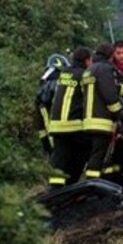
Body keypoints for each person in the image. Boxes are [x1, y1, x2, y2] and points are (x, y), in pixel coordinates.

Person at [82, 43, 123, 180]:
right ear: (110, 56)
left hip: (88, 120)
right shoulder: (105, 69)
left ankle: (95, 183)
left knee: (95, 154)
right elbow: (109, 94)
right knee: (98, 156)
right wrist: (120, 113)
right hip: (100, 121)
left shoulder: (89, 70)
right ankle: (92, 185)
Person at [46, 47, 92, 186]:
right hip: (73, 125)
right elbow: (90, 98)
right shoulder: (84, 75)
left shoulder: (64, 73)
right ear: (86, 60)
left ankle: (55, 188)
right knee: (84, 152)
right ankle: (72, 184)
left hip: (55, 125)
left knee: (60, 158)